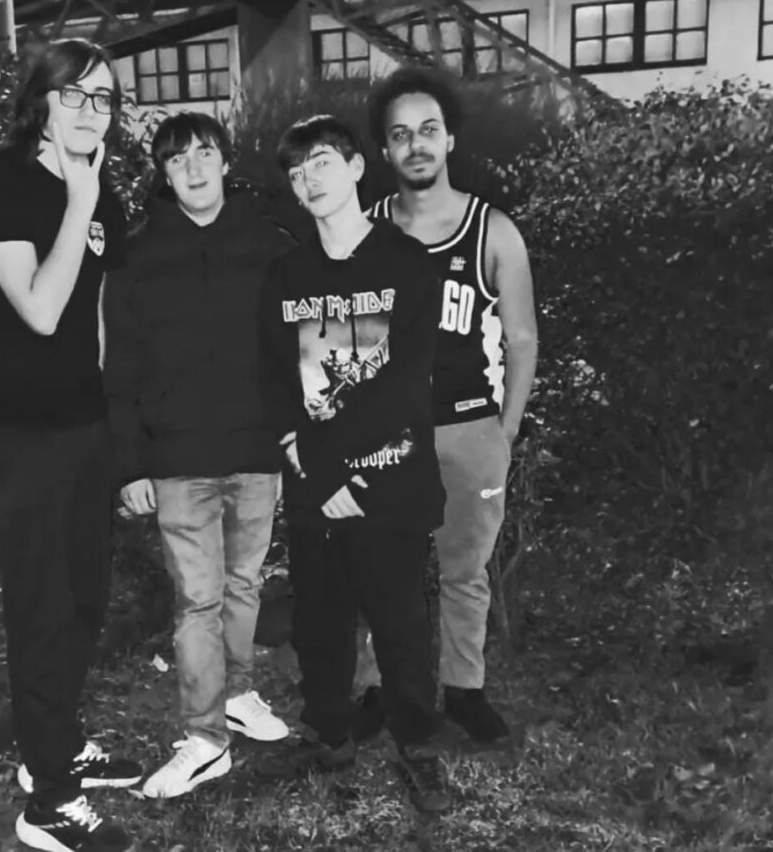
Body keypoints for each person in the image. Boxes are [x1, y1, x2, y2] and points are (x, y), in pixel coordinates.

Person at [0, 37, 142, 852]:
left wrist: (113, 424)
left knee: (85, 599)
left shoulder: (104, 199)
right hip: (17, 430)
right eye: (76, 94)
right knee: (41, 607)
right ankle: (49, 805)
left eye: (104, 98)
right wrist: (78, 202)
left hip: (81, 426)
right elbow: (39, 308)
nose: (92, 111)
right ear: (40, 100)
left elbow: (96, 317)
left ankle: (57, 745)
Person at [257, 115, 451, 813]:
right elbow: (274, 381)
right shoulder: (285, 275)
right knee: (320, 621)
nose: (308, 180)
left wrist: (345, 469)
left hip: (389, 480)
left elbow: (405, 381)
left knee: (401, 624)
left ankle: (418, 744)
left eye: (321, 163)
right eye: (296, 171)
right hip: (316, 486)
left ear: (357, 168)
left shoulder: (407, 263)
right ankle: (329, 734)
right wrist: (318, 470)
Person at [105, 112, 293, 800]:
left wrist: (297, 437)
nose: (193, 167)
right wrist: (130, 464)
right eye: (177, 158)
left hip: (257, 450)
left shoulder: (270, 244)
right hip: (178, 457)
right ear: (162, 171)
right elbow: (119, 365)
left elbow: (295, 350)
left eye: (204, 152)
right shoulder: (136, 254)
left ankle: (237, 694)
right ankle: (205, 738)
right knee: (197, 602)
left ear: (224, 160)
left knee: (244, 587)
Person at [352, 65, 539, 746]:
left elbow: (522, 338)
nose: (416, 144)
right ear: (384, 149)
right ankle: (378, 687)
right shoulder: (363, 229)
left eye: (428, 129)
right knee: (380, 568)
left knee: (465, 570)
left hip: (468, 427)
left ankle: (464, 690)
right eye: (401, 134)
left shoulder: (493, 230)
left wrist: (504, 430)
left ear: (450, 138)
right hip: (386, 433)